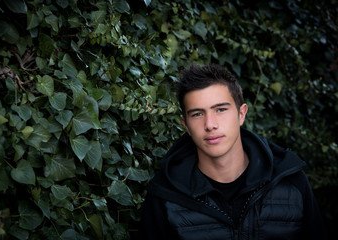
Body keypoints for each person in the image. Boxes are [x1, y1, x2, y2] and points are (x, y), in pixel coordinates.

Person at [138, 64, 327, 240]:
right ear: (186, 125)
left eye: (220, 109)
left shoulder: (291, 183)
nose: (210, 124)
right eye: (197, 114)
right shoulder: (164, 195)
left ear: (241, 114)